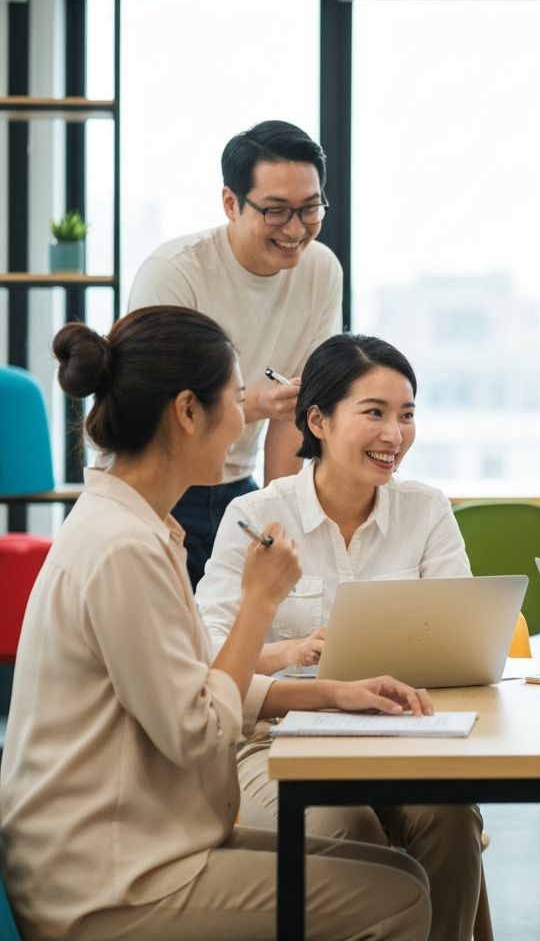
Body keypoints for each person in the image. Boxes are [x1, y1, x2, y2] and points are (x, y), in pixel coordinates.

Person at [0, 307, 431, 941]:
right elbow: (200, 731)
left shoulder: (132, 526)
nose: (247, 419)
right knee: (396, 898)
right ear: (187, 412)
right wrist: (260, 603)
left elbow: (188, 684)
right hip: (112, 878)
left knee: (403, 878)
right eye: (235, 398)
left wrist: (332, 692)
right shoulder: (125, 547)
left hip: (134, 846)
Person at [196, 332, 482, 941]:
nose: (394, 435)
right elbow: (208, 656)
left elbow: (462, 637)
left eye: (406, 415)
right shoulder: (256, 517)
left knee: (450, 819)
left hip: (407, 736)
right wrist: (293, 653)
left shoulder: (426, 509)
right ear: (318, 420)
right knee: (347, 830)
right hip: (275, 741)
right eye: (374, 413)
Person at [129, 120, 342, 587]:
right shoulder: (175, 272)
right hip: (157, 484)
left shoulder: (321, 270)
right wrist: (256, 403)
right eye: (276, 211)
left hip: (235, 486)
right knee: (176, 644)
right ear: (231, 203)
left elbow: (292, 408)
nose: (295, 229)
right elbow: (159, 411)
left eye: (310, 209)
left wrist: (276, 512)